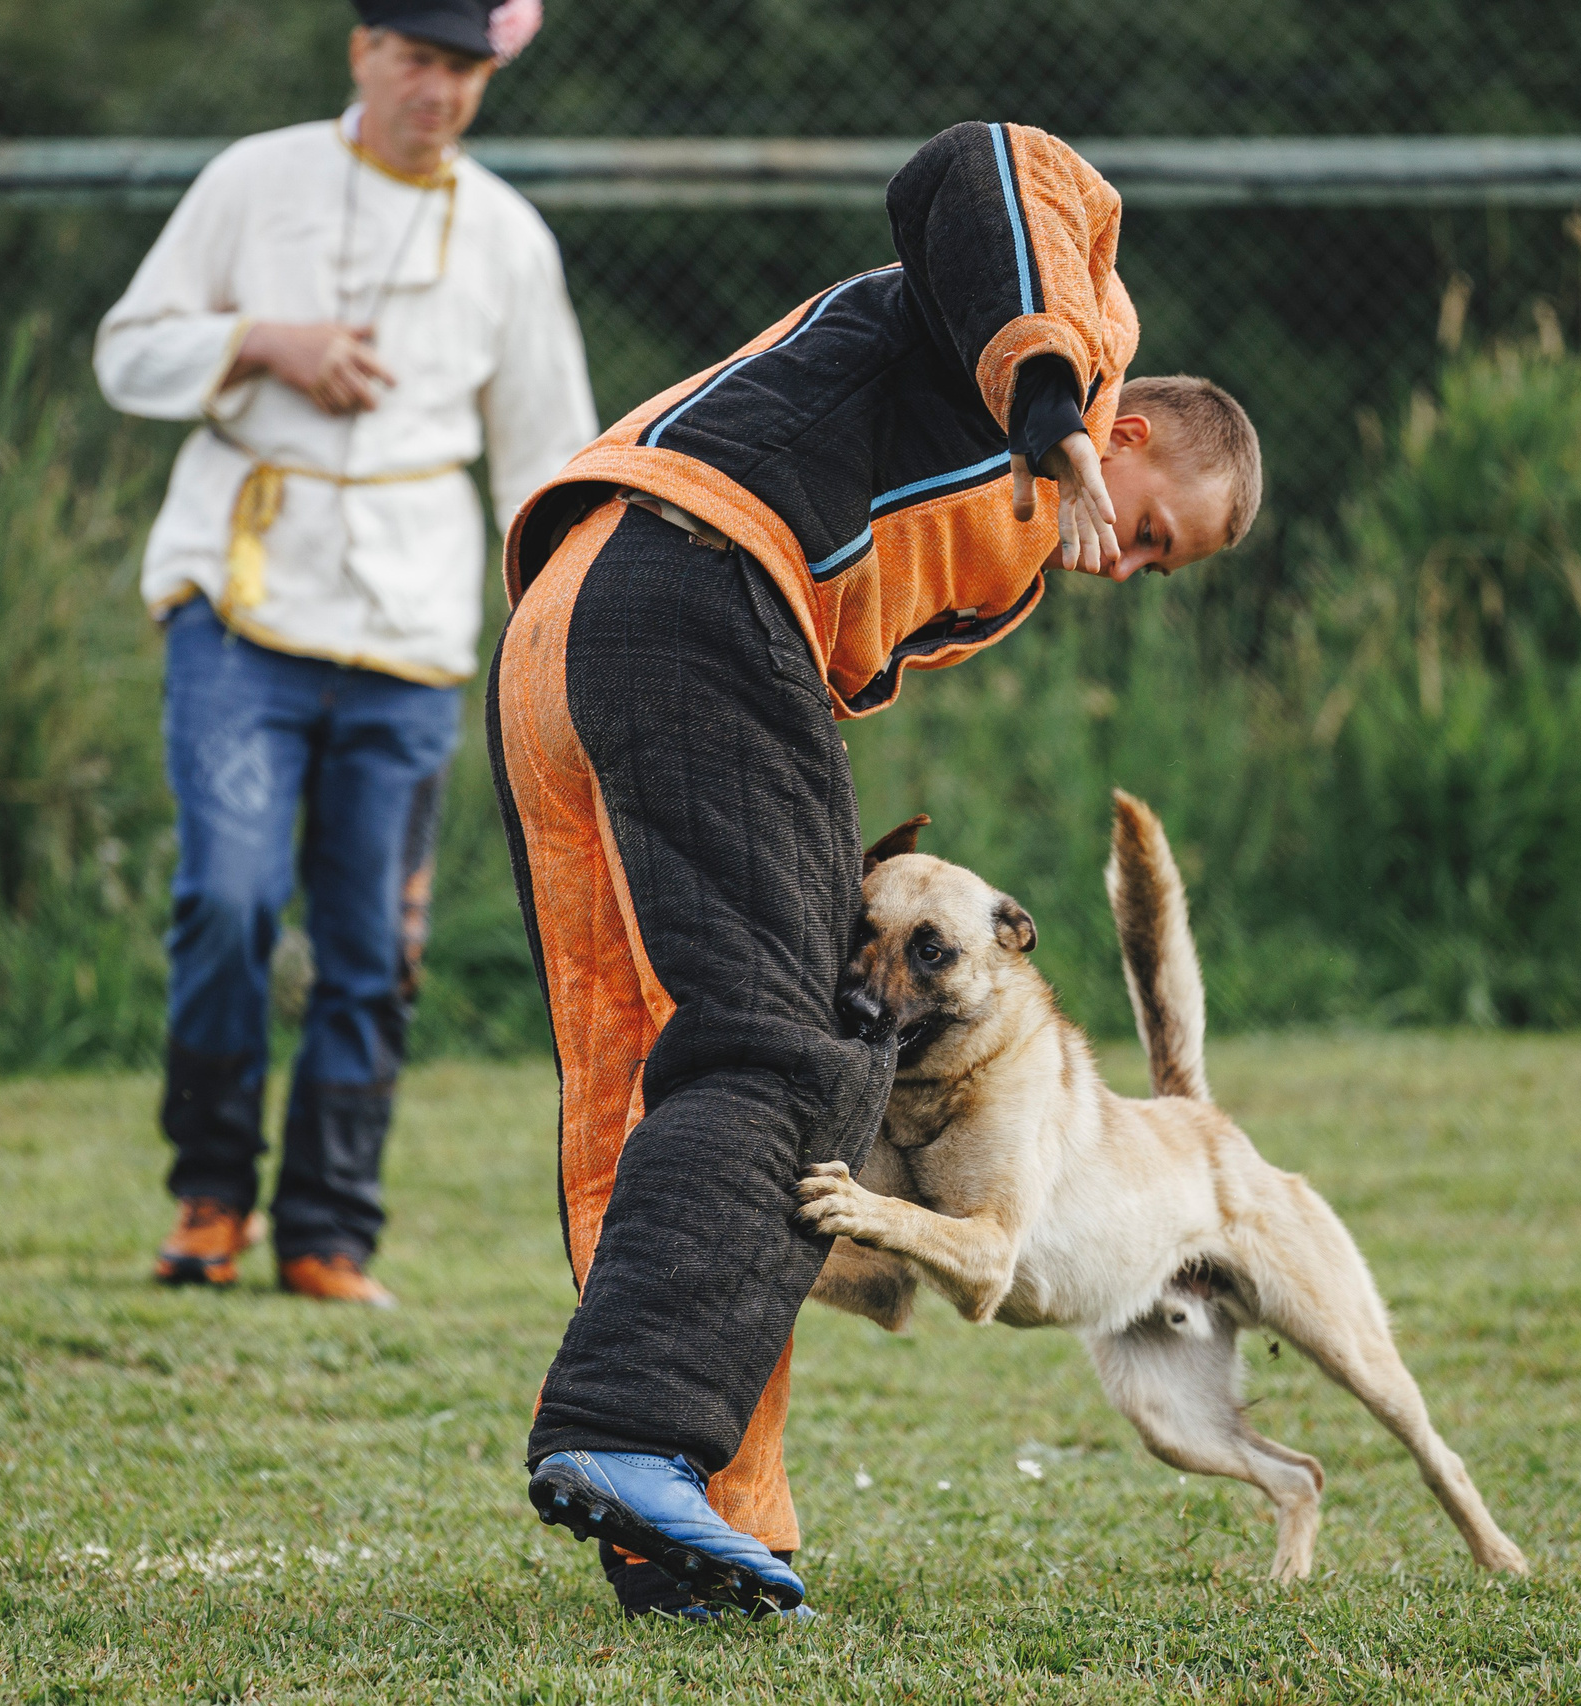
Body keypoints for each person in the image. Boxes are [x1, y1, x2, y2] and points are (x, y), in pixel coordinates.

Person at [490, 120, 1262, 1616]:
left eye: (1160, 567)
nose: (1135, 562)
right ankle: (637, 1431)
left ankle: (696, 1520)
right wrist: (1052, 405)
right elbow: (976, 165)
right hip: (700, 585)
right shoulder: (1073, 332)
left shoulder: (1008, 563)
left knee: (657, 1076)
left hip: (577, 622)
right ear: (1139, 437)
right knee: (806, 1047)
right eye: (1157, 532)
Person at [95, 0, 593, 1307]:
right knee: (230, 899)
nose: (439, 91)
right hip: (241, 599)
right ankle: (210, 1195)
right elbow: (128, 352)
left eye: (464, 70)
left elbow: (550, 459)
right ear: (363, 50)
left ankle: (328, 1230)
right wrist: (263, 342)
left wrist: (557, 637)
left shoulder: (507, 238)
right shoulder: (255, 180)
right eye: (418, 60)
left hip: (413, 627)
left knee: (374, 943)